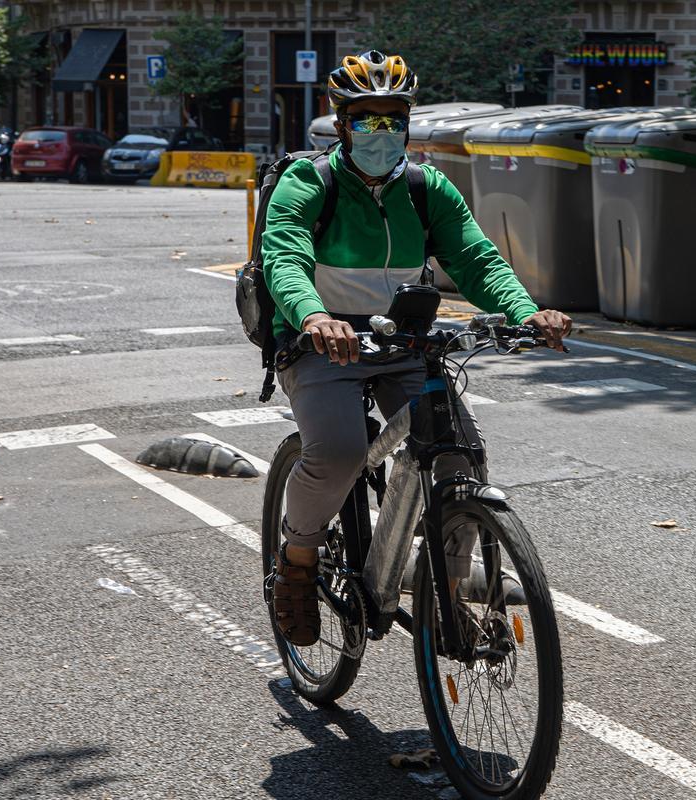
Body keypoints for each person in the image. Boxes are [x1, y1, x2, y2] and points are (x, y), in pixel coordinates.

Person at [263, 50, 571, 647]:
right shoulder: (310, 182)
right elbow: (285, 255)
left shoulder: (425, 187)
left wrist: (526, 312)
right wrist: (315, 316)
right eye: (367, 119)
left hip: (405, 343)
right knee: (339, 452)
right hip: (324, 342)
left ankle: (448, 599)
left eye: (393, 120)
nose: (382, 132)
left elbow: (477, 259)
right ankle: (297, 561)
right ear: (342, 122)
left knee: (461, 454)